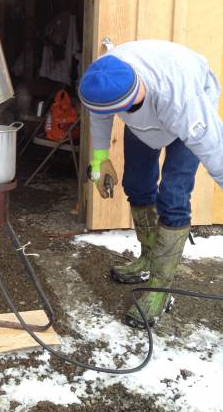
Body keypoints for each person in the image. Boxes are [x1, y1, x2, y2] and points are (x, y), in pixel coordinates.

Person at [78, 40, 223, 327]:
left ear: (135, 91)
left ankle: (160, 288)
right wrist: (100, 158)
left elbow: (216, 154)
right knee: (137, 184)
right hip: (146, 123)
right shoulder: (100, 79)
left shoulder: (184, 104)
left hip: (181, 109)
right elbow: (100, 115)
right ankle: (147, 259)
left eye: (127, 106)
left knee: (174, 196)